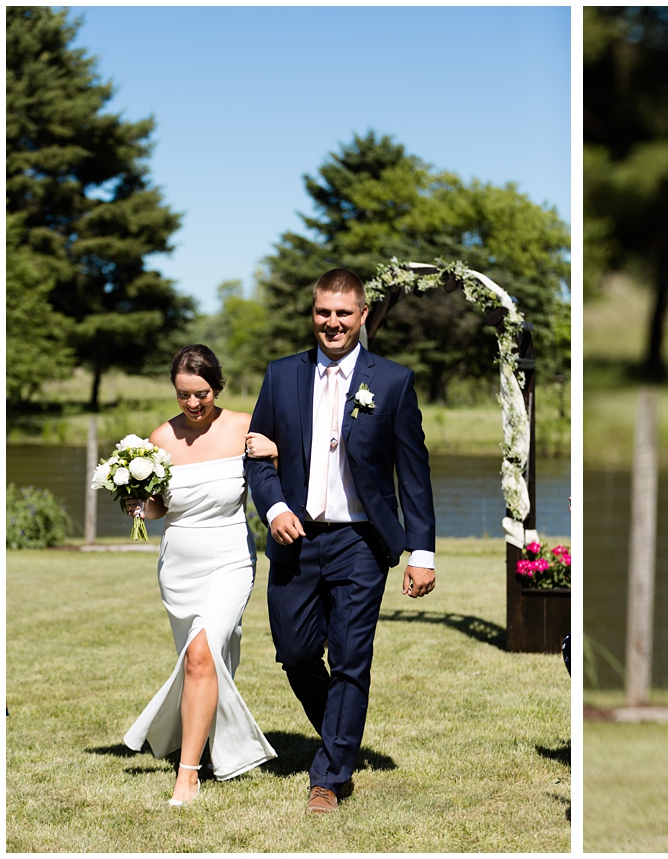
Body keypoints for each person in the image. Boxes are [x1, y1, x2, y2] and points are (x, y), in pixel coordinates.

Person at [246, 267, 438, 815]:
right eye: (322, 313)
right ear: (313, 313)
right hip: (295, 537)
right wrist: (276, 506)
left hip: (360, 540)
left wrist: (421, 551)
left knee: (352, 657)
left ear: (361, 316)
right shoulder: (281, 376)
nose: (332, 323)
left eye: (343, 313)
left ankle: (328, 777)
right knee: (296, 651)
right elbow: (257, 454)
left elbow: (414, 473)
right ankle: (342, 731)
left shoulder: (394, 381)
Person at [123, 344, 280, 805]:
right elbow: (157, 507)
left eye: (202, 394)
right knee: (208, 661)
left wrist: (275, 451)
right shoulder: (159, 438)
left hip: (230, 557)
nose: (193, 404)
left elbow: (281, 476)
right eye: (183, 395)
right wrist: (138, 505)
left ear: (217, 386)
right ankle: (207, 743)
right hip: (179, 565)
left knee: (202, 655)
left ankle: (187, 775)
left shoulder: (244, 426)